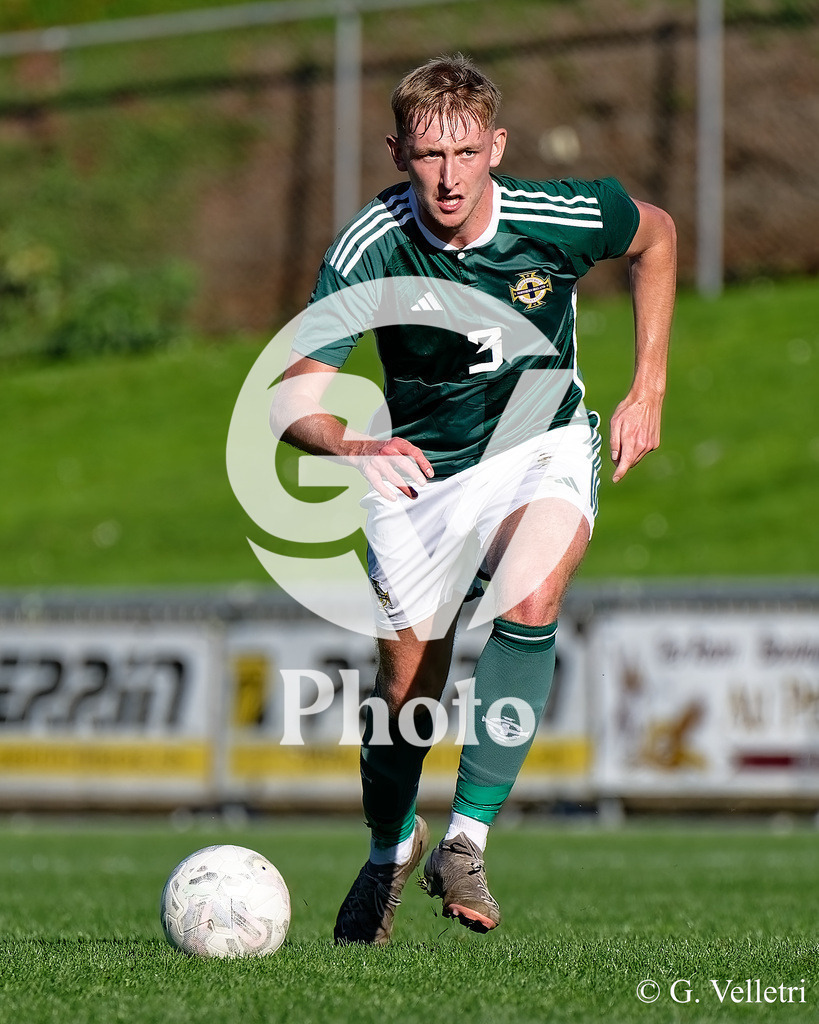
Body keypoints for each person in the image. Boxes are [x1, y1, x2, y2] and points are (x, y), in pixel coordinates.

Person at [270, 53, 676, 944]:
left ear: (495, 146)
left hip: (540, 444)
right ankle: (388, 851)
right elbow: (290, 397)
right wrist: (355, 441)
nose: (447, 177)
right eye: (426, 156)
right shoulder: (370, 245)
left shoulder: (556, 216)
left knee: (531, 595)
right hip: (420, 476)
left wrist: (647, 385)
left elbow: (655, 236)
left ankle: (467, 839)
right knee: (408, 694)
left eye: (463, 152)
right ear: (396, 153)